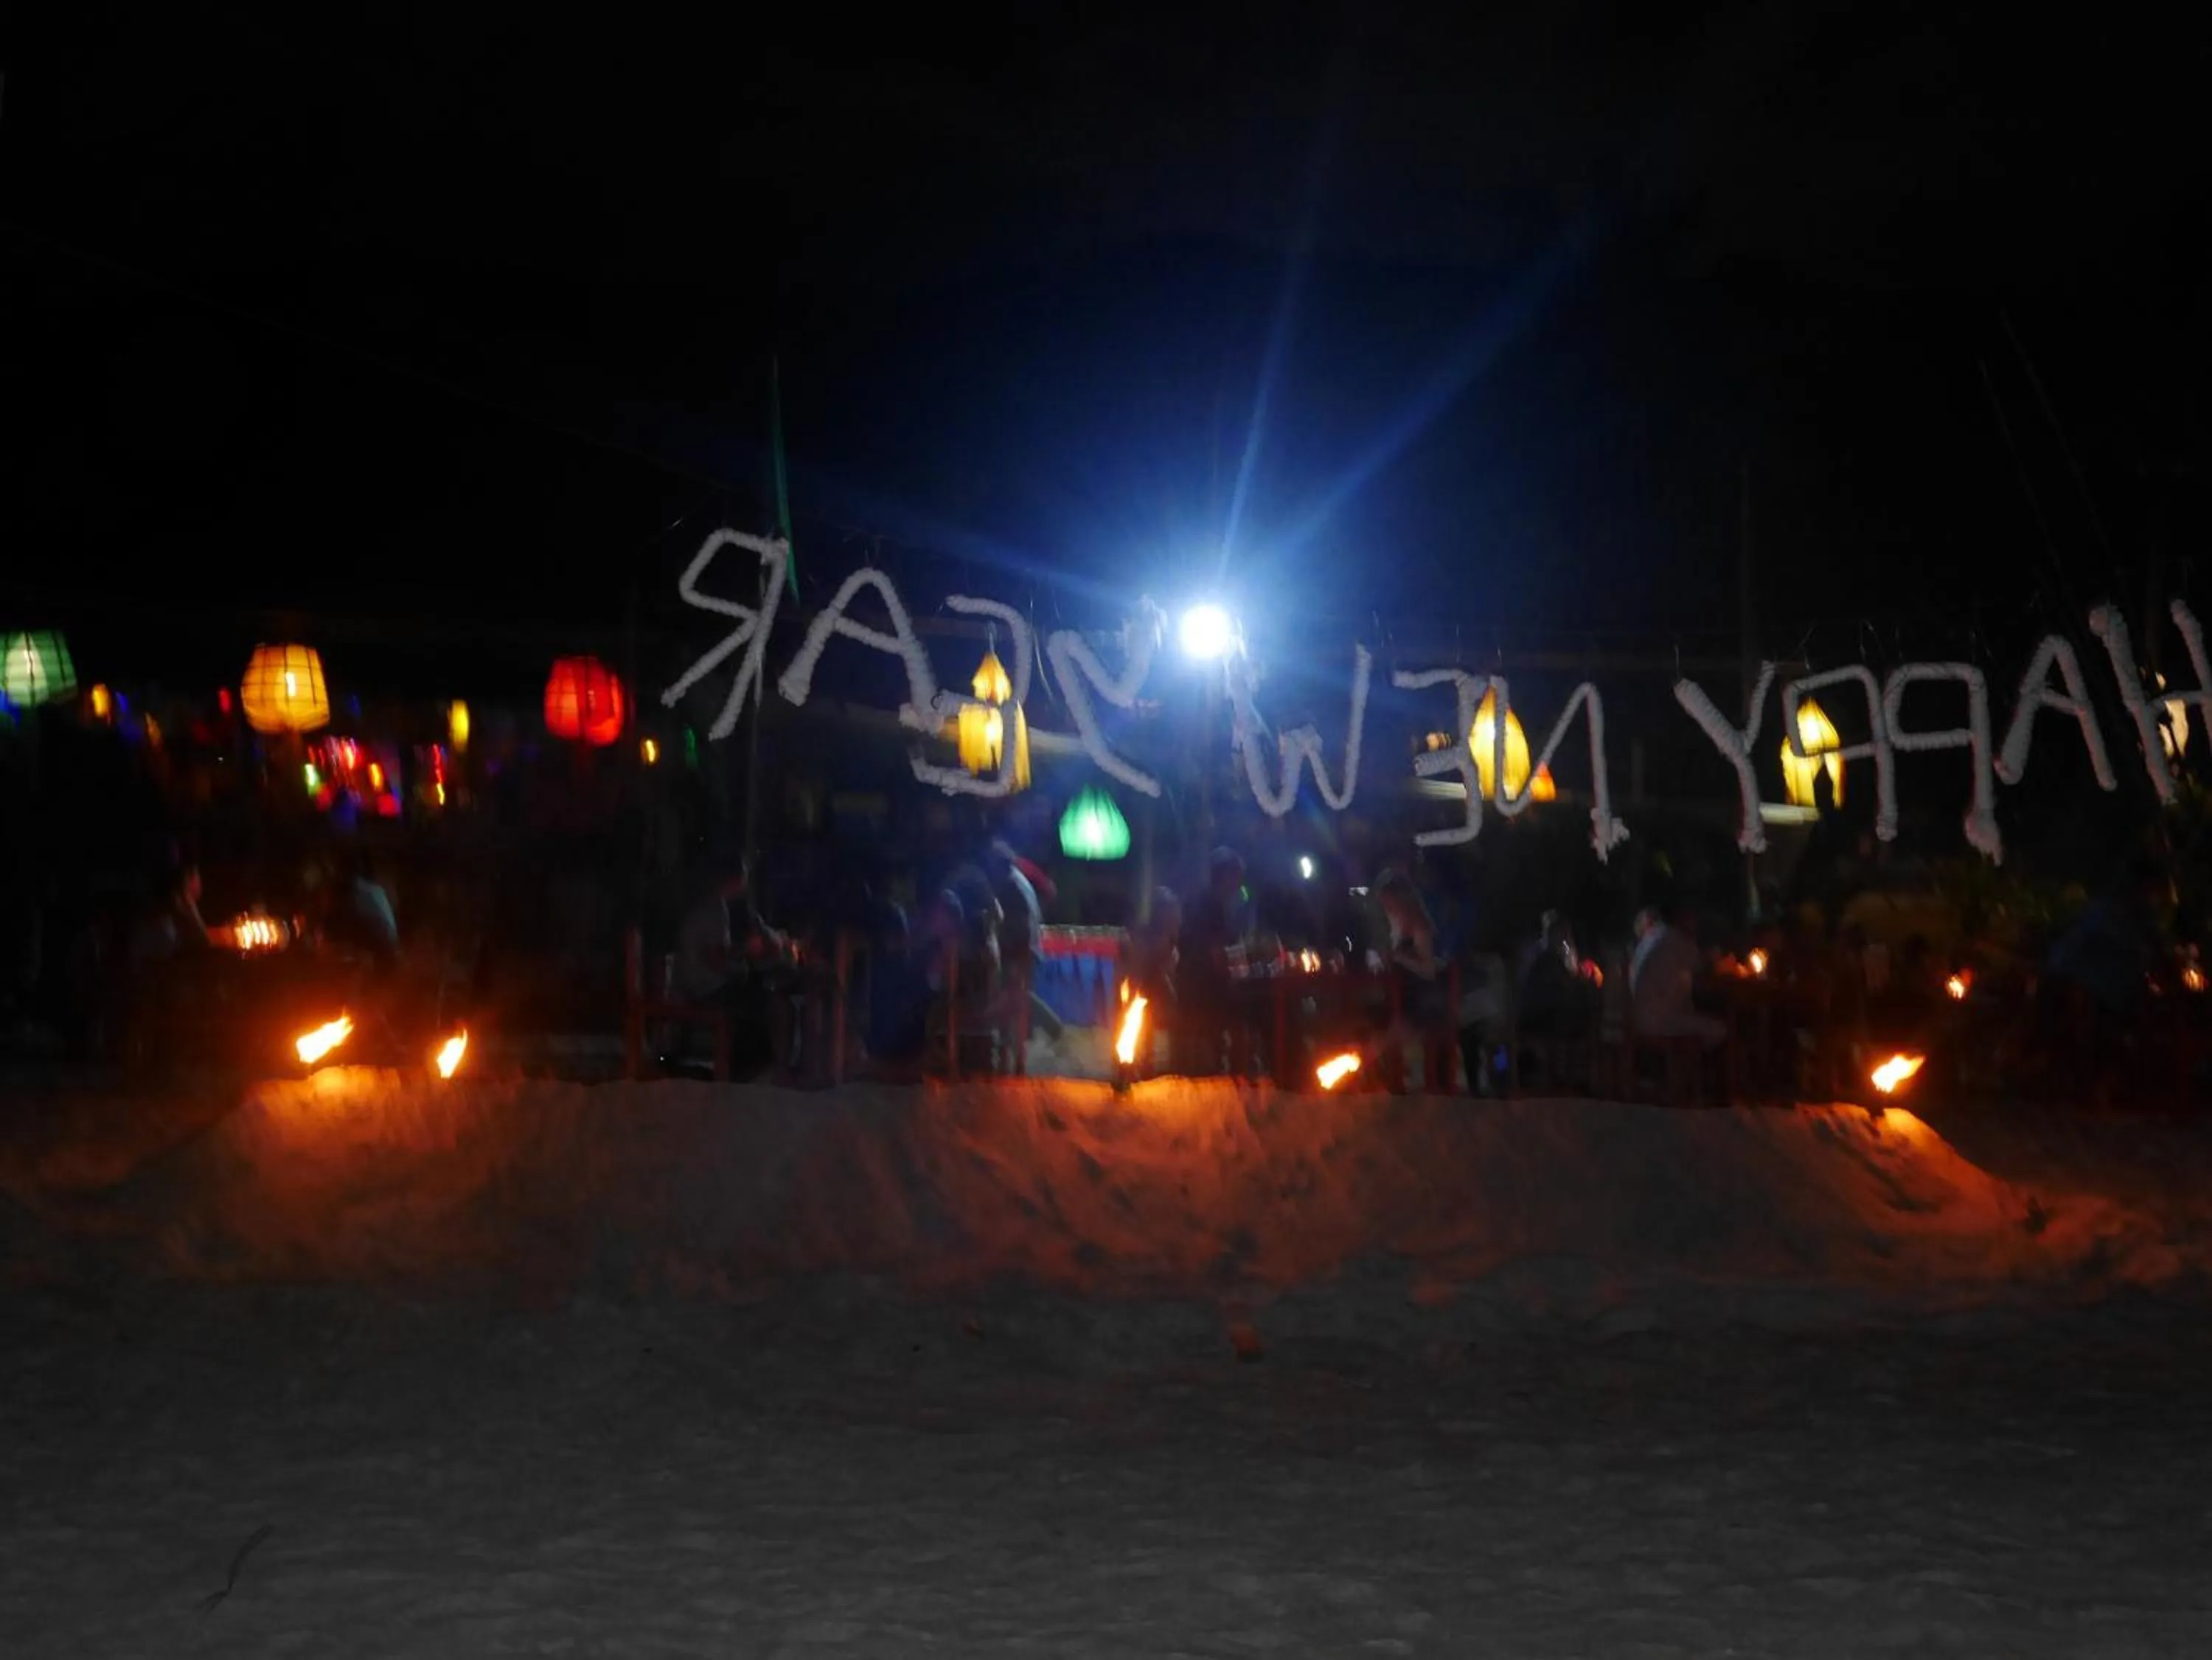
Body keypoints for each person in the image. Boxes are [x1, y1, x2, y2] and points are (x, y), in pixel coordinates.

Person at [1176, 848, 1246, 1074]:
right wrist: (1234, 980)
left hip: (1186, 982)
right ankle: (1230, 1077)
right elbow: (1217, 953)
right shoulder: (1213, 906)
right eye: (1236, 875)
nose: (1238, 882)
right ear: (1225, 876)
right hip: (1203, 986)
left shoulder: (1199, 901)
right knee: (1239, 1017)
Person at [1630, 903, 1725, 1045]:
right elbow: (1703, 966)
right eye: (1692, 918)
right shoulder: (1678, 942)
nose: (1696, 923)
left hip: (1641, 1018)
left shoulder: (1659, 939)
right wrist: (1715, 957)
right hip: (1659, 1021)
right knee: (1718, 1030)